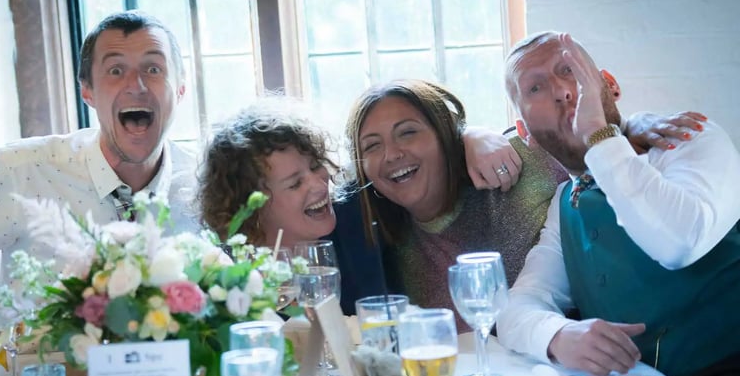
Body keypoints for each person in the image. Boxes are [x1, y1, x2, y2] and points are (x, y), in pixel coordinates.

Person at [496, 31, 740, 376]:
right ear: (524, 132)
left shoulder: (690, 141)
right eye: (535, 87)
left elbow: (679, 243)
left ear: (608, 85)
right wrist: (558, 334)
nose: (561, 89)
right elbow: (519, 307)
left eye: (569, 70)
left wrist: (600, 135)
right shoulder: (563, 205)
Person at [196, 96, 524, 314]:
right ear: (253, 206)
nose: (318, 184)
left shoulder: (357, 211)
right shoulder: (224, 275)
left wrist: (471, 136)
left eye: (315, 166)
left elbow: (414, 165)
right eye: (295, 183)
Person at [0, 10, 201, 276]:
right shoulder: (19, 172)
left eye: (153, 69)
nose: (136, 85)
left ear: (181, 88)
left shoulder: (206, 184)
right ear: (87, 91)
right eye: (116, 71)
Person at [345, 79, 568, 331]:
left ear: (444, 133)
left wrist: (472, 133)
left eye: (407, 132)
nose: (392, 154)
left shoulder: (518, 161)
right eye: (373, 145)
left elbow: (600, 153)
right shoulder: (381, 244)